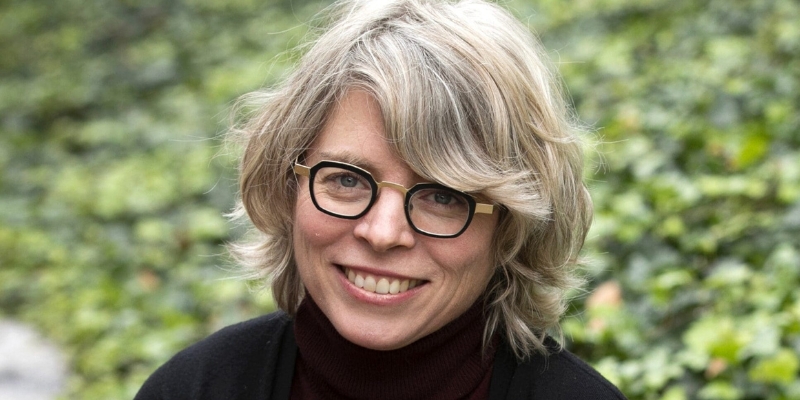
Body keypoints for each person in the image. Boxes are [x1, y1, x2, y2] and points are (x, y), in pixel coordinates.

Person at [135, 0, 626, 398]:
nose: (383, 232)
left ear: (510, 227)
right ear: (289, 185)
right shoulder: (192, 388)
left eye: (442, 195)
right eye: (347, 180)